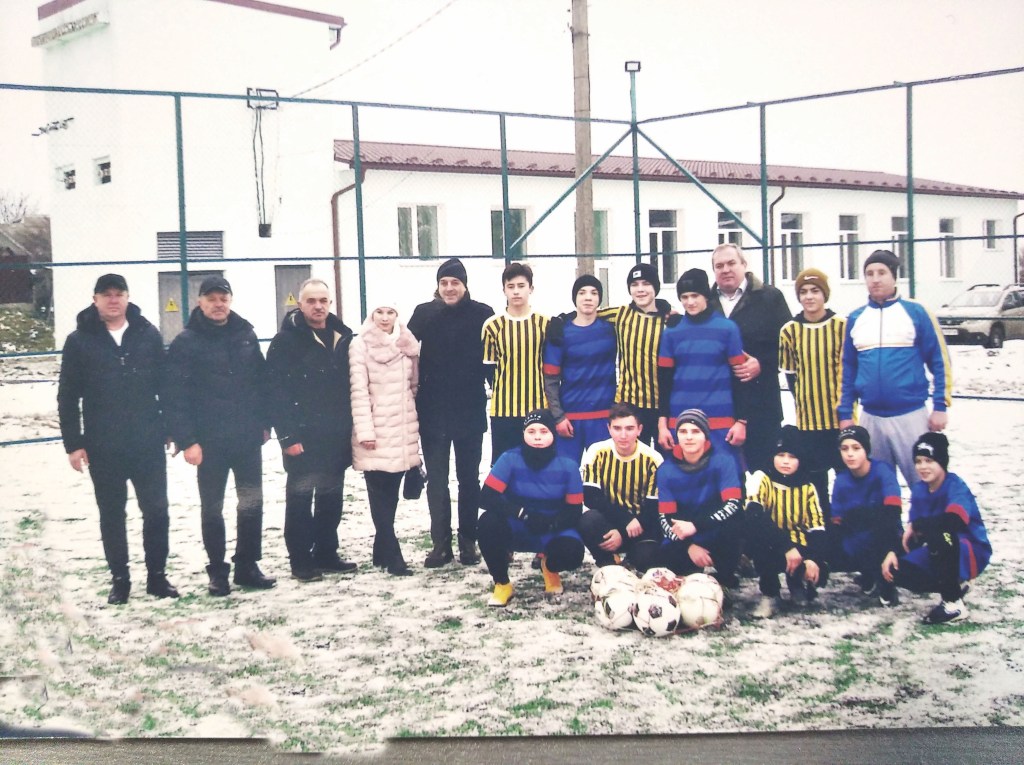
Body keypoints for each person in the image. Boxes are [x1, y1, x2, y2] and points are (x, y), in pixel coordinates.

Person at [57, 274, 178, 605]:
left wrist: (170, 427)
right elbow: (68, 397)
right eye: (106, 295)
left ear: (127, 298)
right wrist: (74, 443)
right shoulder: (80, 340)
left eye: (119, 294)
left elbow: (165, 386)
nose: (113, 300)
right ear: (95, 300)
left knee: (156, 511)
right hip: (103, 443)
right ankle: (120, 580)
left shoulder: (147, 334)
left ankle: (157, 577)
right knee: (111, 513)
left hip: (147, 440)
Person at [165, 276, 276, 596]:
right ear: (200, 302)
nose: (218, 304)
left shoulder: (246, 335)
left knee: (251, 503)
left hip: (246, 437)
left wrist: (265, 422)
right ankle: (217, 571)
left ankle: (247, 565)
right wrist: (187, 440)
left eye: (223, 297)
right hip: (209, 442)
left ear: (230, 300)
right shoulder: (186, 341)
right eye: (211, 298)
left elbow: (262, 381)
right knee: (212, 508)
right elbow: (176, 395)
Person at [266, 278, 356, 582]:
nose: (318, 306)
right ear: (300, 304)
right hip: (302, 436)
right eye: (311, 301)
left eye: (323, 301)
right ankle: (301, 559)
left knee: (331, 497)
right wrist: (288, 436)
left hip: (335, 434)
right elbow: (275, 393)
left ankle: (326, 552)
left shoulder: (342, 336)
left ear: (330, 304)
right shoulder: (285, 341)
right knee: (301, 498)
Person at [838, 249, 952, 487]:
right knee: (876, 488)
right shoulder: (856, 318)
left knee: (925, 483)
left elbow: (940, 361)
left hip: (910, 415)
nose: (875, 279)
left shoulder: (916, 313)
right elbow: (848, 369)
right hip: (871, 418)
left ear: (894, 276)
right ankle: (887, 526)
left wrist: (940, 406)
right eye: (869, 273)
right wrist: (846, 413)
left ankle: (929, 526)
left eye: (882, 272)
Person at [408, 258, 494, 568]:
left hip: (469, 409)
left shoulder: (483, 314)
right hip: (433, 412)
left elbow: (494, 361)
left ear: (465, 285)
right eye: (444, 283)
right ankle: (440, 544)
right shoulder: (424, 313)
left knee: (469, 479)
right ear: (438, 286)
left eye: (454, 282)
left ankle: (468, 542)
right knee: (438, 481)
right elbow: (402, 348)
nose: (449, 288)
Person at [477, 409, 585, 607]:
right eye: (531, 432)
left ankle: (550, 566)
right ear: (523, 434)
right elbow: (486, 497)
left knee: (573, 552)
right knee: (487, 523)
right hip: (519, 524)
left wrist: (551, 524)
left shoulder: (568, 464)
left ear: (553, 434)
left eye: (543, 432)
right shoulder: (509, 458)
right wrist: (522, 514)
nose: (537, 437)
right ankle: (502, 584)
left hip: (552, 528)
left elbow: (574, 510)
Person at [882, 433, 991, 624]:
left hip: (969, 549)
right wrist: (892, 551)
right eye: (918, 461)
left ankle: (953, 603)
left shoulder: (955, 485)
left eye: (929, 460)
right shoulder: (919, 489)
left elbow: (953, 521)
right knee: (897, 570)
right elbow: (913, 534)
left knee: (941, 533)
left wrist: (919, 525)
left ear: (942, 461)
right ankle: (956, 585)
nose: (923, 467)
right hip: (938, 548)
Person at [349, 297, 422, 576]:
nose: (384, 317)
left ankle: (381, 549)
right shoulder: (360, 345)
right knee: (378, 492)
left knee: (391, 493)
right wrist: (365, 431)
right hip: (374, 431)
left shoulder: (407, 343)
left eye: (390, 311)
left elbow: (413, 385)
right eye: (379, 311)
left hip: (401, 430)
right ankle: (394, 556)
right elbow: (359, 391)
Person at [708, 243, 791, 474]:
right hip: (720, 404)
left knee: (762, 474)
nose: (726, 270)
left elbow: (789, 346)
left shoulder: (770, 298)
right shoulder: (706, 303)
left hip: (761, 404)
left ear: (744, 265)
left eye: (731, 263)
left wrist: (762, 364)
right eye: (719, 265)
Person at [657, 268, 747, 470]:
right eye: (684, 297)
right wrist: (663, 425)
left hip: (721, 423)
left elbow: (739, 378)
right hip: (680, 424)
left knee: (725, 482)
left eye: (695, 296)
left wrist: (741, 421)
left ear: (706, 295)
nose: (690, 302)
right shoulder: (671, 333)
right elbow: (664, 382)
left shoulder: (727, 329)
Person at [778, 268, 847, 523]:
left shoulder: (841, 326)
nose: (809, 297)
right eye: (804, 292)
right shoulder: (790, 330)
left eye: (815, 291)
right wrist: (803, 403)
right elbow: (791, 374)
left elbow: (848, 371)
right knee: (817, 482)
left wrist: (845, 408)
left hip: (840, 420)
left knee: (845, 479)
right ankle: (822, 533)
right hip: (808, 422)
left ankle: (845, 533)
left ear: (824, 294)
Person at [653, 409, 744, 590]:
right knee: (675, 573)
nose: (689, 437)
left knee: (736, 524)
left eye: (695, 432)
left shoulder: (723, 460)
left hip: (712, 529)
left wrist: (696, 525)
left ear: (705, 435)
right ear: (676, 435)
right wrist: (689, 547)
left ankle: (724, 578)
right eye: (683, 432)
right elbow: (665, 517)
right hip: (684, 538)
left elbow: (733, 504)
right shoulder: (665, 470)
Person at [744, 426, 827, 618]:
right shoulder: (762, 478)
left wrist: (813, 558)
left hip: (798, 544)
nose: (786, 462)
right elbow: (755, 516)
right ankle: (770, 593)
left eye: (792, 456)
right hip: (771, 541)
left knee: (819, 565)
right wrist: (786, 547)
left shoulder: (807, 487)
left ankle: (797, 584)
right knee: (759, 543)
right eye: (781, 455)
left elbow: (817, 527)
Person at [577, 403, 663, 572]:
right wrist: (623, 524)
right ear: (609, 429)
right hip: (611, 523)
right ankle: (608, 563)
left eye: (629, 428)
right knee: (588, 520)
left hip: (640, 525)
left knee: (647, 558)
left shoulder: (653, 459)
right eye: (617, 428)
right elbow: (591, 497)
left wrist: (625, 532)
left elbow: (654, 507)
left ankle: (632, 558)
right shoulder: (597, 451)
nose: (623, 435)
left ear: (639, 429)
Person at [542, 274, 617, 463]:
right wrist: (558, 417)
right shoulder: (560, 332)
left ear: (600, 298)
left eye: (594, 293)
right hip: (570, 418)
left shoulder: (611, 330)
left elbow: (635, 313)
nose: (588, 297)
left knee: (603, 477)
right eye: (582, 293)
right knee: (566, 474)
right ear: (575, 298)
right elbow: (550, 379)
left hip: (603, 417)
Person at [827, 425, 903, 607]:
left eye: (856, 448)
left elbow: (892, 512)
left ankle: (887, 583)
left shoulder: (882, 471)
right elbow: (837, 521)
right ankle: (868, 574)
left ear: (866, 450)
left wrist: (892, 547)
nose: (850, 454)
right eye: (844, 449)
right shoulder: (842, 480)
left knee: (878, 525)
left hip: (885, 533)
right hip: (857, 536)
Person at [598, 263, 673, 446]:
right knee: (633, 463)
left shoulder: (670, 320)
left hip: (663, 406)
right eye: (635, 284)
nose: (640, 289)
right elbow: (587, 315)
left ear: (655, 287)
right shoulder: (621, 314)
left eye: (646, 283)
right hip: (629, 405)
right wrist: (561, 320)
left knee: (665, 462)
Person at [481, 262, 549, 464]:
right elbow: (489, 367)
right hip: (504, 410)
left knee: (537, 463)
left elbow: (551, 366)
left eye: (521, 286)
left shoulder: (545, 323)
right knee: (504, 464)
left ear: (531, 289)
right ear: (504, 290)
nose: (516, 291)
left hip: (537, 407)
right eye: (511, 287)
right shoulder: (493, 325)